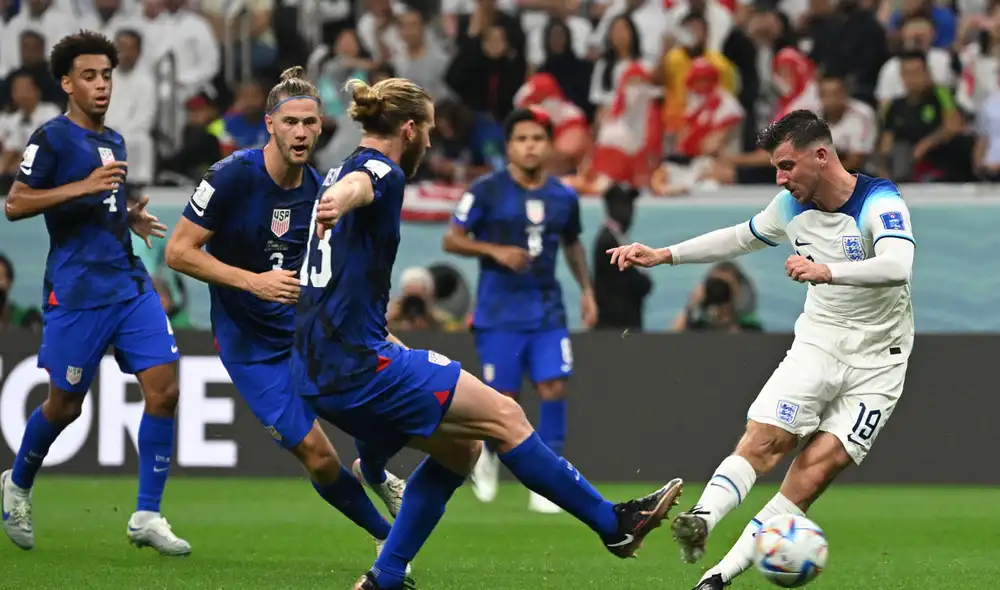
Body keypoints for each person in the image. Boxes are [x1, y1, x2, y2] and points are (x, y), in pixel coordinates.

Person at [292, 77, 684, 590]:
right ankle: (615, 525)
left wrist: (335, 197)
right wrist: (341, 201)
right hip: (356, 366)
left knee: (463, 450)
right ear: (408, 129)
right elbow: (363, 185)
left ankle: (386, 572)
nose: (431, 141)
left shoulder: (336, 169)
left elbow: (348, 214)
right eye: (427, 130)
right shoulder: (377, 169)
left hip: (320, 368)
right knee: (506, 415)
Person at [607, 110, 916, 590]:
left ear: (821, 155)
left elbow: (898, 265)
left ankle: (717, 578)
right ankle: (703, 520)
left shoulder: (879, 202)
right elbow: (738, 237)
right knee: (765, 438)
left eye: (787, 166)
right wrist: (666, 254)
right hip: (820, 341)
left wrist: (827, 272)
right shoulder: (788, 207)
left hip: (881, 362)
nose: (780, 178)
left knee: (812, 475)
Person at [163, 66, 408, 561]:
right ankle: (388, 538)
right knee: (319, 457)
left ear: (321, 128)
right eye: (291, 122)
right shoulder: (231, 175)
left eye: (310, 123)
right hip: (249, 347)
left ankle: (377, 473)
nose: (301, 132)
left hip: (303, 334)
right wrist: (254, 282)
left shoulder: (318, 189)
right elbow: (178, 252)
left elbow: (328, 271)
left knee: (382, 395)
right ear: (270, 125)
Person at [1, 31, 190, 555]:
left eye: (107, 75)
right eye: (89, 76)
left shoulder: (115, 141)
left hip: (128, 285)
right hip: (78, 291)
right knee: (64, 408)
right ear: (67, 83)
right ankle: (16, 484)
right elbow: (15, 203)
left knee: (165, 389)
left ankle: (148, 514)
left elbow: (100, 204)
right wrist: (84, 188)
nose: (101, 85)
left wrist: (127, 216)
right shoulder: (52, 138)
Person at [442, 107, 598, 513]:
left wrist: (586, 290)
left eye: (538, 139)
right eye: (522, 139)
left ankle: (549, 480)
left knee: (554, 387)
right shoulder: (486, 190)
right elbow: (452, 240)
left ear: (548, 145)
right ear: (509, 146)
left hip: (547, 310)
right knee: (503, 398)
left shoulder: (564, 196)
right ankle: (488, 457)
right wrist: (494, 250)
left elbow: (573, 244)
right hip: (499, 312)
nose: (530, 146)